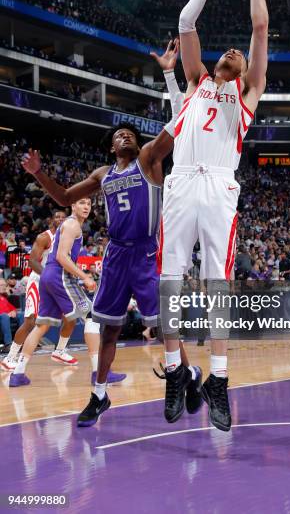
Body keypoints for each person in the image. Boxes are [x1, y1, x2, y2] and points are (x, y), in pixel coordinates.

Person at [21, 40, 201, 426]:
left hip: (146, 253)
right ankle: (99, 395)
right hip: (116, 256)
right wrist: (38, 173)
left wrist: (170, 73)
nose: (124, 135)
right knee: (108, 332)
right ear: (111, 145)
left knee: (163, 325)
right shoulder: (103, 175)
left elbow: (182, 119)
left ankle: (188, 374)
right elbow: (66, 196)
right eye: (118, 134)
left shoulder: (151, 159)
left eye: (129, 133)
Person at [158, 0, 268, 431]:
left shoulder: (245, 99)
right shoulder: (198, 81)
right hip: (181, 184)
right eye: (230, 49)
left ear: (244, 74)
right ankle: (177, 372)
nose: (233, 50)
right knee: (170, 283)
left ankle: (219, 380)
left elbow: (260, 28)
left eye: (238, 53)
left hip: (221, 189)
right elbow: (186, 24)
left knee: (218, 285)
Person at [9, 198, 96, 387]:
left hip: (48, 276)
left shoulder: (66, 227)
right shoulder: (72, 225)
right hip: (57, 275)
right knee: (92, 314)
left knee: (42, 326)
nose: (86, 207)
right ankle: (99, 372)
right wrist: (86, 277)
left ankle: (18, 373)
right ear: (72, 206)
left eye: (89, 204)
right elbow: (61, 257)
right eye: (81, 203)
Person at [0, 210, 80, 370]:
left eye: (64, 217)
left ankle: (60, 350)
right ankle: (10, 358)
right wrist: (48, 276)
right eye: (57, 216)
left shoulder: (69, 238)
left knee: (71, 317)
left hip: (57, 283)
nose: (60, 219)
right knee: (31, 321)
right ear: (52, 220)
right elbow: (31, 262)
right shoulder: (44, 237)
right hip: (39, 282)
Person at [0, 278, 24, 353]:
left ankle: (21, 342)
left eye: (5, 285)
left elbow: (13, 309)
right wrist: (7, 314)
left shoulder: (3, 298)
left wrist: (13, 312)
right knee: (4, 316)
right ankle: (8, 344)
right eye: (1, 285)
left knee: (21, 314)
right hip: (3, 317)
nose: (4, 287)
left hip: (7, 318)